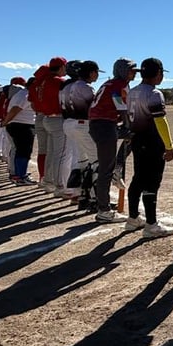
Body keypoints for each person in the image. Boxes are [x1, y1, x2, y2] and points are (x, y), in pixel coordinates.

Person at [124, 58, 173, 239]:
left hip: (137, 140)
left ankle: (132, 217)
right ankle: (151, 224)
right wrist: (169, 146)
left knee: (138, 177)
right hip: (152, 141)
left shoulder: (132, 92)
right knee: (152, 181)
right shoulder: (154, 93)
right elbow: (160, 121)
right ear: (158, 73)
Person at [88, 58, 137, 223]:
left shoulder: (111, 83)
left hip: (101, 124)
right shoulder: (118, 85)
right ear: (122, 70)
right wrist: (128, 124)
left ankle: (117, 167)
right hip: (104, 125)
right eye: (131, 70)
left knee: (131, 139)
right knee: (105, 169)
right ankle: (104, 210)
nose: (134, 73)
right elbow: (120, 105)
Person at [62, 60, 100, 210]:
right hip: (82, 124)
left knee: (82, 161)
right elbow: (94, 108)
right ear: (91, 73)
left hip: (68, 124)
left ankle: (81, 195)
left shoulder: (66, 87)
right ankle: (96, 199)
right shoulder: (86, 87)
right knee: (96, 162)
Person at [36, 57, 69, 196]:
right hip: (57, 119)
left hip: (47, 117)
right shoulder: (58, 81)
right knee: (60, 155)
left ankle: (48, 180)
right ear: (61, 66)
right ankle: (60, 186)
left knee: (51, 153)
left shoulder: (44, 80)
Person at [4, 77, 38, 185]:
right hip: (21, 125)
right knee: (23, 152)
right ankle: (20, 176)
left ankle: (19, 174)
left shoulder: (23, 93)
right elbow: (15, 109)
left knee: (22, 151)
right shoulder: (26, 94)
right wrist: (6, 121)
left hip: (21, 125)